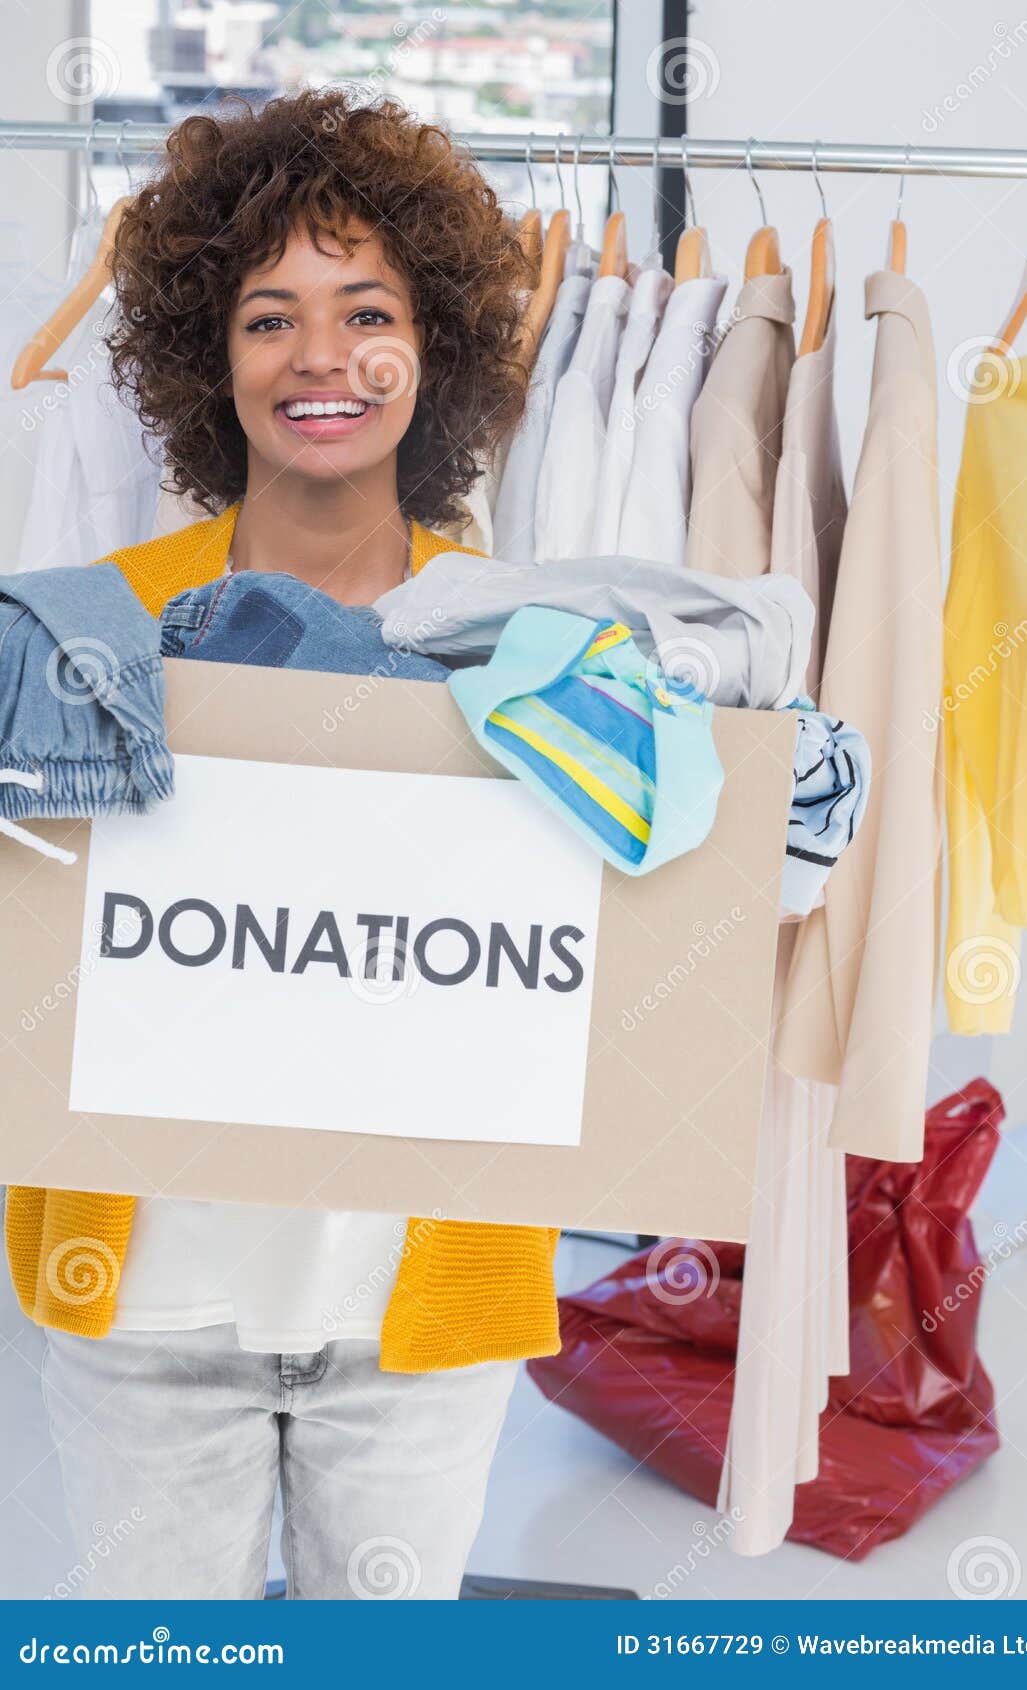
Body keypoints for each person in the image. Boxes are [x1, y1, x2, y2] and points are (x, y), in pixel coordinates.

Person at [8, 88, 561, 1601]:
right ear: (211, 358)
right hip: (141, 1318)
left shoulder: (540, 645)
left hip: (418, 1329)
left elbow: (636, 926)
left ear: (431, 345)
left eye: (366, 308)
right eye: (269, 318)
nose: (322, 356)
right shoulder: (77, 620)